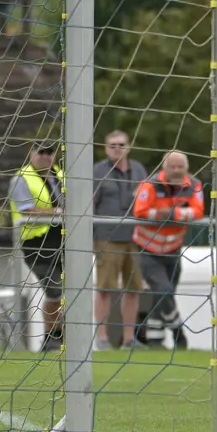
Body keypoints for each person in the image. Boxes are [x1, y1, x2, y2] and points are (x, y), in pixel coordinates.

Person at [130, 150, 204, 348]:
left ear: (187, 168)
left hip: (173, 248)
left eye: (181, 167)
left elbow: (198, 211)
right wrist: (177, 214)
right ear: (164, 168)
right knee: (164, 290)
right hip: (148, 248)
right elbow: (140, 211)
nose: (177, 171)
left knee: (164, 294)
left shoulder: (194, 185)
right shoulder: (151, 184)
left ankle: (155, 339)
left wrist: (170, 213)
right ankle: (178, 331)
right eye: (173, 166)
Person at [93, 131, 147, 349]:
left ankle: (129, 338)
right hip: (107, 237)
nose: (117, 148)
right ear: (106, 148)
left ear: (129, 146)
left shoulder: (139, 169)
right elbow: (90, 204)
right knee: (105, 288)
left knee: (133, 289)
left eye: (121, 144)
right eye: (112, 145)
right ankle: (102, 337)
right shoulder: (98, 171)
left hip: (135, 237)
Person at [10, 143, 65, 351]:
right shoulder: (21, 178)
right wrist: (58, 213)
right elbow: (27, 210)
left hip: (62, 240)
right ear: (31, 155)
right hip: (36, 244)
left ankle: (56, 336)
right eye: (41, 152)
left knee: (70, 291)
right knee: (54, 290)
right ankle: (51, 335)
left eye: (49, 152)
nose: (45, 156)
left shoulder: (61, 175)